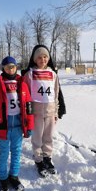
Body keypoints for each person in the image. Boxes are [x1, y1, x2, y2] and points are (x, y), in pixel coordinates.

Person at [0, 56, 34, 191]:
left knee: (17, 152)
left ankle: (13, 176)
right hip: (3, 127)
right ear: (3, 69)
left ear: (16, 67)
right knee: (3, 154)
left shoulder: (22, 84)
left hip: (18, 126)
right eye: (7, 67)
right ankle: (3, 179)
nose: (10, 69)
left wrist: (29, 125)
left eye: (12, 67)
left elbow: (28, 107)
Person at [22, 44, 66, 177]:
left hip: (50, 111)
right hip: (36, 112)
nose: (43, 60)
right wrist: (27, 113)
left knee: (48, 136)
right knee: (37, 137)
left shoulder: (53, 74)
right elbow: (26, 93)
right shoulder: (30, 74)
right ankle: (38, 159)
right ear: (35, 60)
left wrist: (57, 112)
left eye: (45, 57)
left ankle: (47, 158)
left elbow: (56, 93)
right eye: (40, 57)